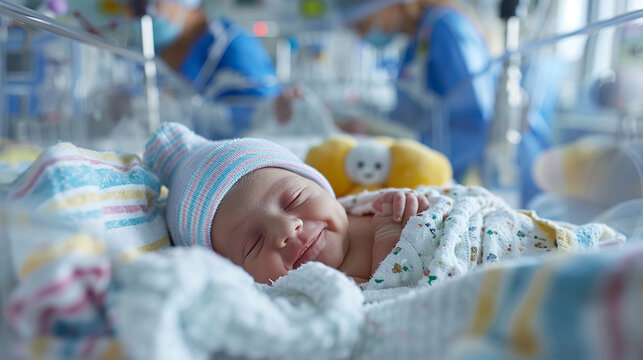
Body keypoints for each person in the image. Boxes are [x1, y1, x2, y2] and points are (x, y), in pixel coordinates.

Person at [143, 122, 622, 287]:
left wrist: (415, 203)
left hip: (517, 233)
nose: (286, 229)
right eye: (252, 244)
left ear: (325, 187)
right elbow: (367, 306)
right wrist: (393, 242)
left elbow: (455, 203)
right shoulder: (316, 287)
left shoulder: (363, 207)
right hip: (504, 276)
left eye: (292, 200)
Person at [327, 0, 498, 180]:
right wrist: (372, 133)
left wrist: (407, 159)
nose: (362, 35)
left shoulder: (446, 29)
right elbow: (410, 118)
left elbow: (477, 127)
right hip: (426, 164)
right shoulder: (416, 43)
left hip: (452, 172)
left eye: (362, 24)